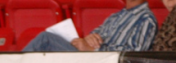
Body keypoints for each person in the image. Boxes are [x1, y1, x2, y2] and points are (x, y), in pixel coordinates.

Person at [23, 0, 158, 52]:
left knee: (46, 39)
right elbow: (95, 33)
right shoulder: (116, 16)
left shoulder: (146, 19)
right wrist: (88, 39)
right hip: (90, 56)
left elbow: (134, 54)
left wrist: (93, 50)